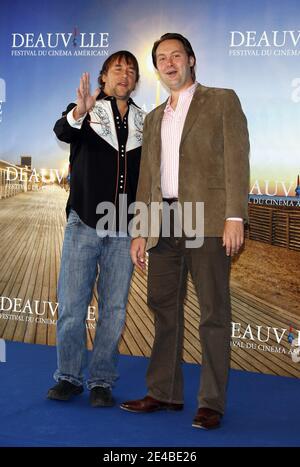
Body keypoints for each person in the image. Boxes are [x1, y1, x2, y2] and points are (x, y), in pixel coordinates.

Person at [120, 33, 250, 429]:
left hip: (207, 219)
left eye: (177, 55)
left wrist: (235, 216)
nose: (170, 63)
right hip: (164, 223)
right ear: (157, 68)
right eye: (162, 58)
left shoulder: (222, 99)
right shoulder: (154, 117)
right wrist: (140, 229)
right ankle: (164, 393)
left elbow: (237, 159)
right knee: (163, 309)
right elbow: (147, 179)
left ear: (191, 59)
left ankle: (211, 401)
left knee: (213, 312)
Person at [47, 51, 145, 407]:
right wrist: (79, 110)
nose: (125, 74)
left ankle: (101, 381)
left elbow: (146, 180)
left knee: (114, 312)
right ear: (104, 78)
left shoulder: (143, 121)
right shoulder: (85, 111)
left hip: (124, 229)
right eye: (118, 69)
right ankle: (69, 378)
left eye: (131, 71)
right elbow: (61, 129)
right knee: (73, 306)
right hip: (85, 222)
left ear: (135, 82)